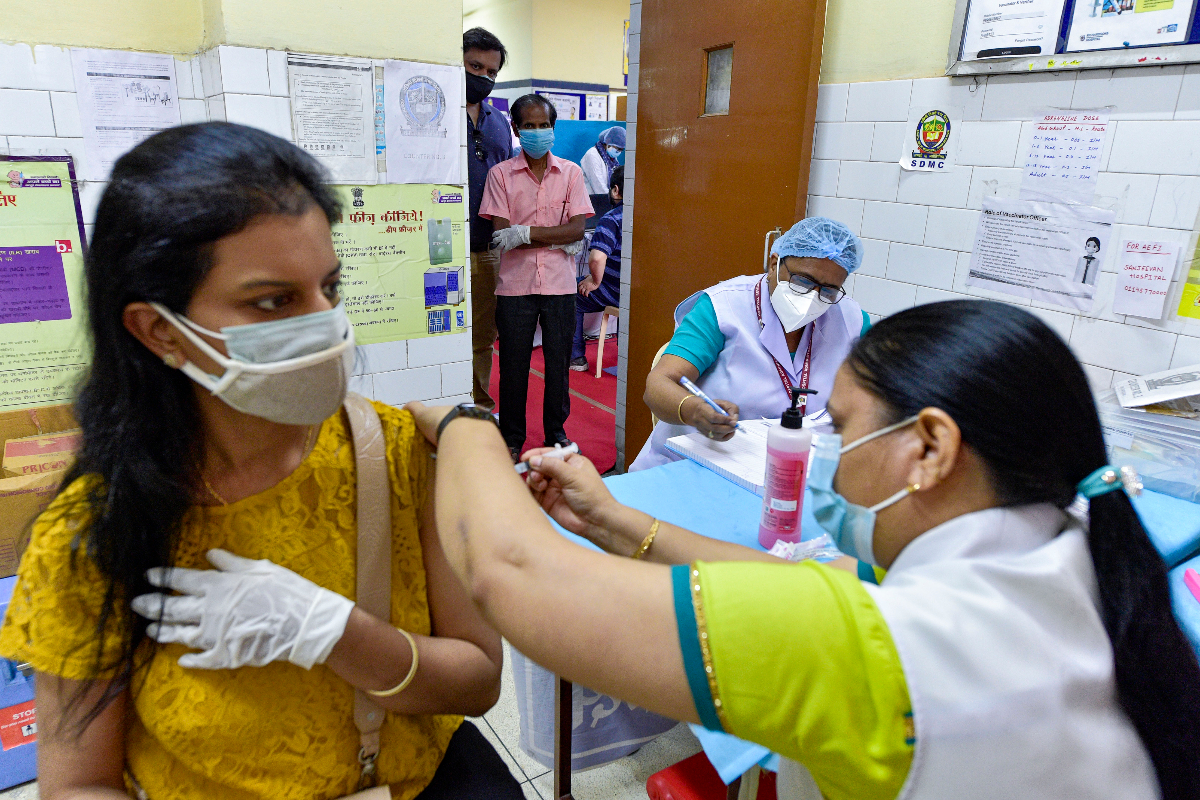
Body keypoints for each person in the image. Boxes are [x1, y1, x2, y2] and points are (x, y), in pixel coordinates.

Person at [408, 298, 1200, 800]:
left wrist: (467, 424)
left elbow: (515, 574)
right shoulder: (1074, 552)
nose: (824, 453)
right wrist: (615, 521)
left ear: (930, 448)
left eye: (842, 429)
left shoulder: (881, 655)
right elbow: (816, 583)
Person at [0, 123, 524, 800]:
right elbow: (77, 785)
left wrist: (336, 632)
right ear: (159, 330)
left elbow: (477, 683)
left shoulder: (396, 454)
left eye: (329, 287)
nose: (327, 325)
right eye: (273, 301)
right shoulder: (91, 533)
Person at [630, 216, 871, 471]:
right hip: (696, 463)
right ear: (774, 263)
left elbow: (876, 397)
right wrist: (695, 411)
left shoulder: (852, 321)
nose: (813, 297)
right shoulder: (723, 307)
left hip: (793, 469)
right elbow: (659, 384)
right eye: (802, 281)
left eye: (829, 290)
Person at [480, 94, 593, 458]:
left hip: (560, 285)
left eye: (544, 125)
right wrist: (556, 236)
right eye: (529, 125)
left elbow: (577, 230)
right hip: (515, 287)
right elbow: (502, 234)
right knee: (513, 366)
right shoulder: (500, 175)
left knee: (559, 364)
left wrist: (526, 233)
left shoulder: (571, 173)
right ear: (516, 129)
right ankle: (512, 438)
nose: (537, 131)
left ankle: (556, 434)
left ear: (553, 128)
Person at [464, 27, 512, 412]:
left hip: (487, 248)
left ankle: (480, 407)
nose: (483, 77)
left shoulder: (499, 122)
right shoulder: (434, 113)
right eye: (474, 66)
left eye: (491, 72)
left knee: (483, 336)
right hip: (439, 248)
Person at [571, 165, 624, 373]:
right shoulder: (654, 215)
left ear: (616, 190)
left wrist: (594, 280)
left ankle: (576, 358)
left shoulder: (612, 219)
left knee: (570, 292)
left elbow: (596, 258)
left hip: (615, 291)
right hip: (644, 294)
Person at [581, 126, 625, 197]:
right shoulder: (592, 155)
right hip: (592, 198)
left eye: (621, 150)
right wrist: (613, 198)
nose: (618, 152)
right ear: (608, 142)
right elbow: (598, 186)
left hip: (604, 197)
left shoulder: (611, 158)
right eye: (617, 148)